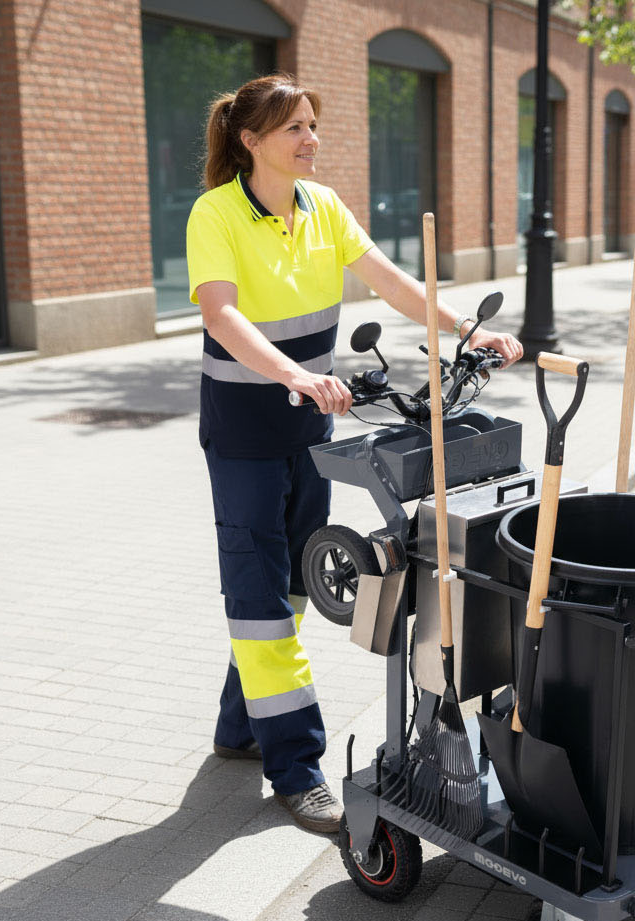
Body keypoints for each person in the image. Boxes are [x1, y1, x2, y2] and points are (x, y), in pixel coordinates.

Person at [185, 75, 522, 833]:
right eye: (294, 128)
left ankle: (240, 725)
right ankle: (296, 768)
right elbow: (222, 315)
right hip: (243, 434)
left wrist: (467, 328)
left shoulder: (323, 206)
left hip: (311, 432)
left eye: (312, 124)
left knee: (293, 586)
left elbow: (393, 284)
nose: (311, 139)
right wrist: (297, 375)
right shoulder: (216, 213)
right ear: (251, 141)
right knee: (259, 592)